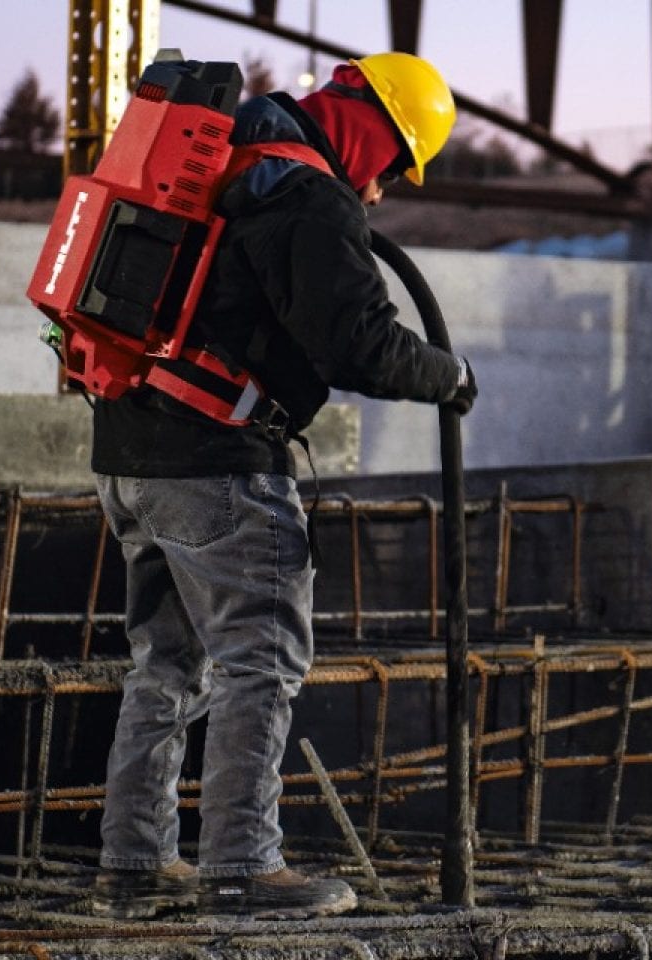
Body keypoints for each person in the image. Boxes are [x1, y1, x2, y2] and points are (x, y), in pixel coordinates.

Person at [88, 51, 478, 921]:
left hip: (129, 449)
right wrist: (445, 376)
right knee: (260, 660)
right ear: (371, 126)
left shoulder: (227, 159)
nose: (378, 193)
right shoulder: (306, 194)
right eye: (391, 168)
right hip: (217, 462)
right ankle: (241, 866)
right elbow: (359, 342)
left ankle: (136, 862)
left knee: (166, 664)